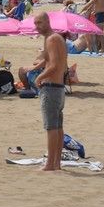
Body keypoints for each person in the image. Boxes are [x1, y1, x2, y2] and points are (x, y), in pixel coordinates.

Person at [33, 11, 68, 172]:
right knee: (58, 127)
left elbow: (54, 65)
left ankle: (50, 164)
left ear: (47, 22)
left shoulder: (53, 39)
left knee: (52, 127)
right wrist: (34, 67)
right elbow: (48, 61)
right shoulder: (53, 38)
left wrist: (39, 77)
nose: (37, 27)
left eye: (39, 23)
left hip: (52, 88)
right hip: (58, 88)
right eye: (35, 24)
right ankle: (56, 163)